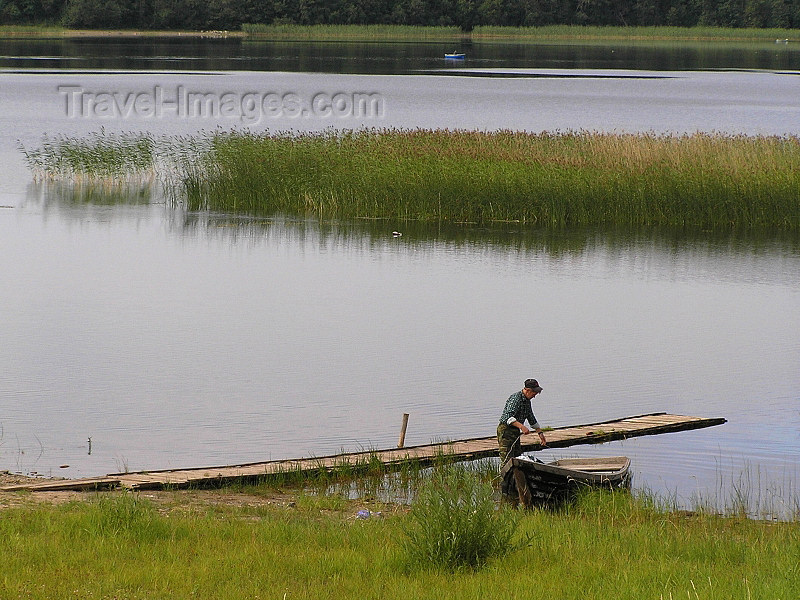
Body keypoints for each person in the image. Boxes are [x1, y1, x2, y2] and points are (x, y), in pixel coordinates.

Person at [497, 378, 547, 464]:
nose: (534, 396)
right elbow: (507, 417)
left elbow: (530, 417)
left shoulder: (527, 401)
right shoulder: (515, 399)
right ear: (527, 390)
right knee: (507, 459)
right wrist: (522, 427)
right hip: (505, 431)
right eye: (534, 393)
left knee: (517, 458)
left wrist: (540, 433)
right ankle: (505, 476)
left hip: (515, 431)